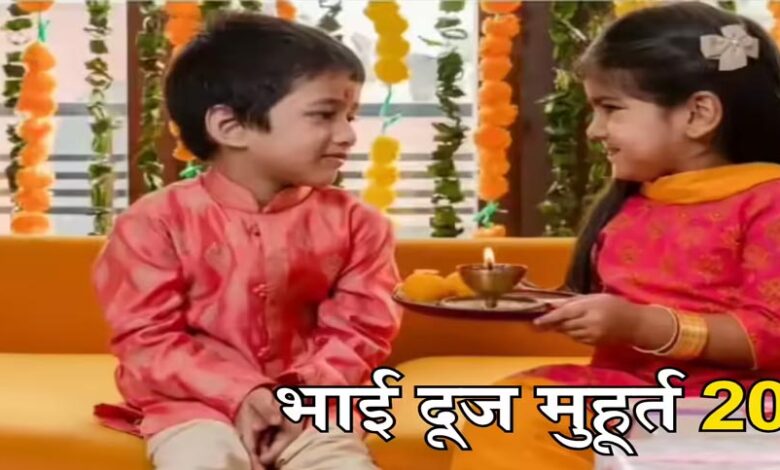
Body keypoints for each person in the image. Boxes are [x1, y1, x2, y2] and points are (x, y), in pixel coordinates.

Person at [451, 3, 780, 469]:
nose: (593, 131)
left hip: (737, 407)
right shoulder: (640, 199)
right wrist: (532, 302)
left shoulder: (768, 200)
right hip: (634, 395)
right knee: (504, 410)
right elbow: (626, 303)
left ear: (698, 114)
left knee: (522, 413)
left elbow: (771, 333)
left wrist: (641, 326)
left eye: (610, 109)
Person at [92, 12, 401, 470]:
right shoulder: (152, 223)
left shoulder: (361, 225)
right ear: (230, 126)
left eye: (350, 116)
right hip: (191, 407)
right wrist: (241, 393)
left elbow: (361, 332)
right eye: (324, 115)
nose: (349, 135)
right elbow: (147, 340)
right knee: (203, 460)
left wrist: (298, 401)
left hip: (315, 409)